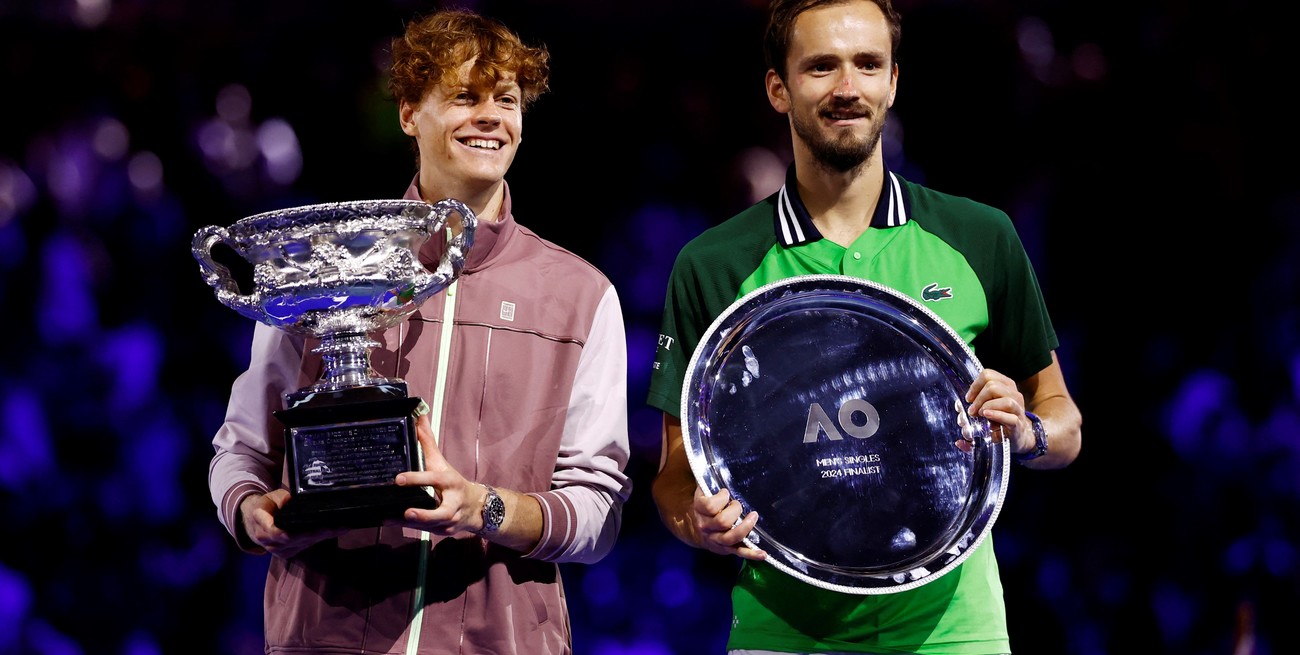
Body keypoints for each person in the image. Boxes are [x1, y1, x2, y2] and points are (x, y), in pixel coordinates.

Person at [647, 0, 1083, 653]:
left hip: (952, 629)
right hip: (784, 629)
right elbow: (678, 471)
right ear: (778, 88)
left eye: (867, 65)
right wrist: (697, 522)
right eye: (821, 66)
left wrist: (1026, 430)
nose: (847, 87)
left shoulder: (978, 237)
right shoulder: (715, 263)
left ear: (893, 81)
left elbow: (1065, 423)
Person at [208, 8, 632, 654]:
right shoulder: (325, 271)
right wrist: (249, 511)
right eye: (465, 96)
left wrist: (482, 507)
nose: (491, 117)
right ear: (409, 112)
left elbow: (597, 516)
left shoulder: (581, 297)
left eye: (507, 100)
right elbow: (241, 449)